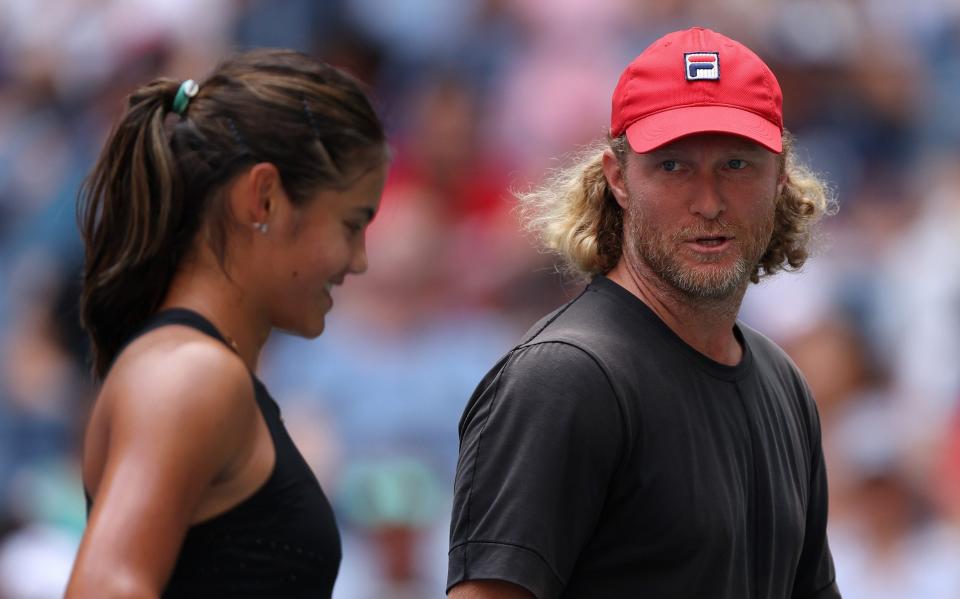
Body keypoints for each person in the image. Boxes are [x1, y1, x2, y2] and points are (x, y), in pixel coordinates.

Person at [447, 27, 841, 598]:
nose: (708, 202)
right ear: (618, 179)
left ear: (779, 179)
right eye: (674, 167)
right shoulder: (563, 378)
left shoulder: (784, 384)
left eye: (736, 164)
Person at [66, 49, 388, 597]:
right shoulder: (190, 375)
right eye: (351, 223)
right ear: (263, 198)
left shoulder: (202, 372)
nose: (359, 259)